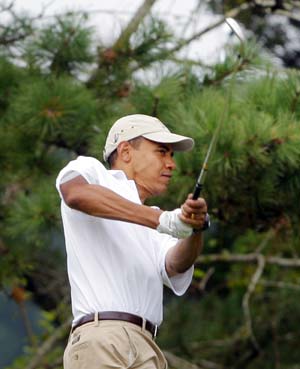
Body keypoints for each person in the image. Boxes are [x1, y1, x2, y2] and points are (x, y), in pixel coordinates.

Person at [56, 114, 209, 369]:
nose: (171, 164)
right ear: (126, 151)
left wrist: (195, 228)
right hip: (101, 338)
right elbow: (75, 194)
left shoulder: (155, 221)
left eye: (172, 155)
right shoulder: (91, 172)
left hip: (147, 346)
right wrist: (161, 219)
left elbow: (175, 265)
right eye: (162, 152)